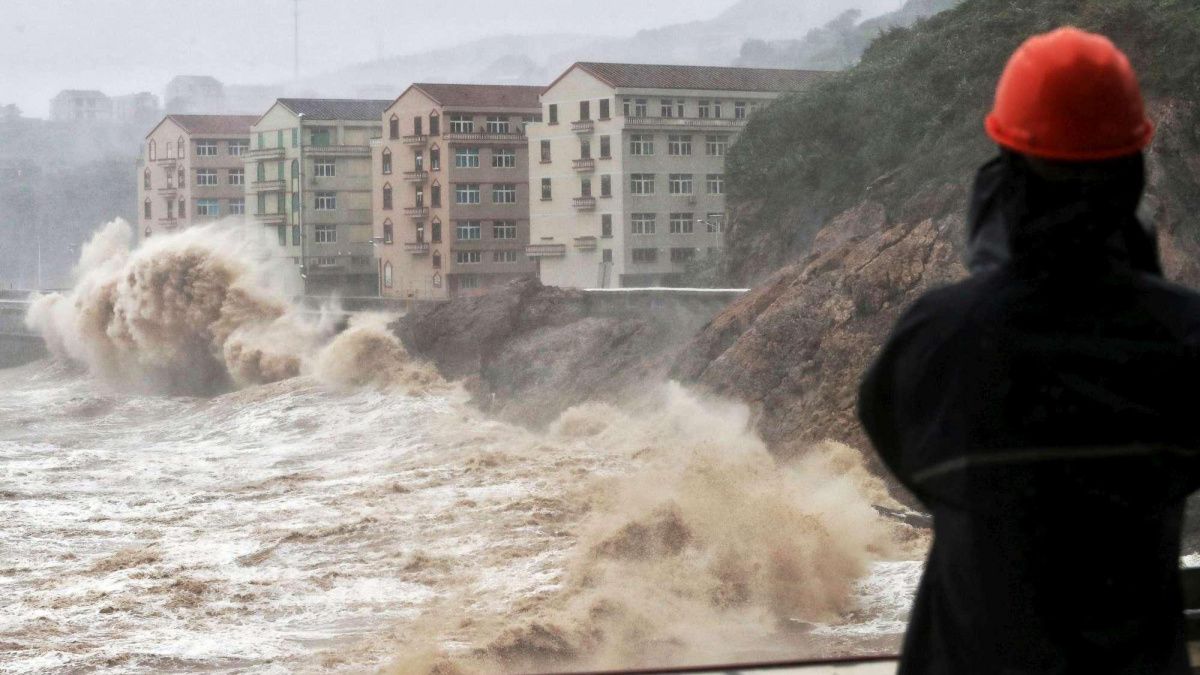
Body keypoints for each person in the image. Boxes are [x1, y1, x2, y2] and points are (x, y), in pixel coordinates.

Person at [858, 27, 1200, 674]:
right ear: (1131, 170)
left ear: (1004, 173)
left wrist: (996, 258)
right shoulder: (1182, 339)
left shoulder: (940, 335)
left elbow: (916, 459)